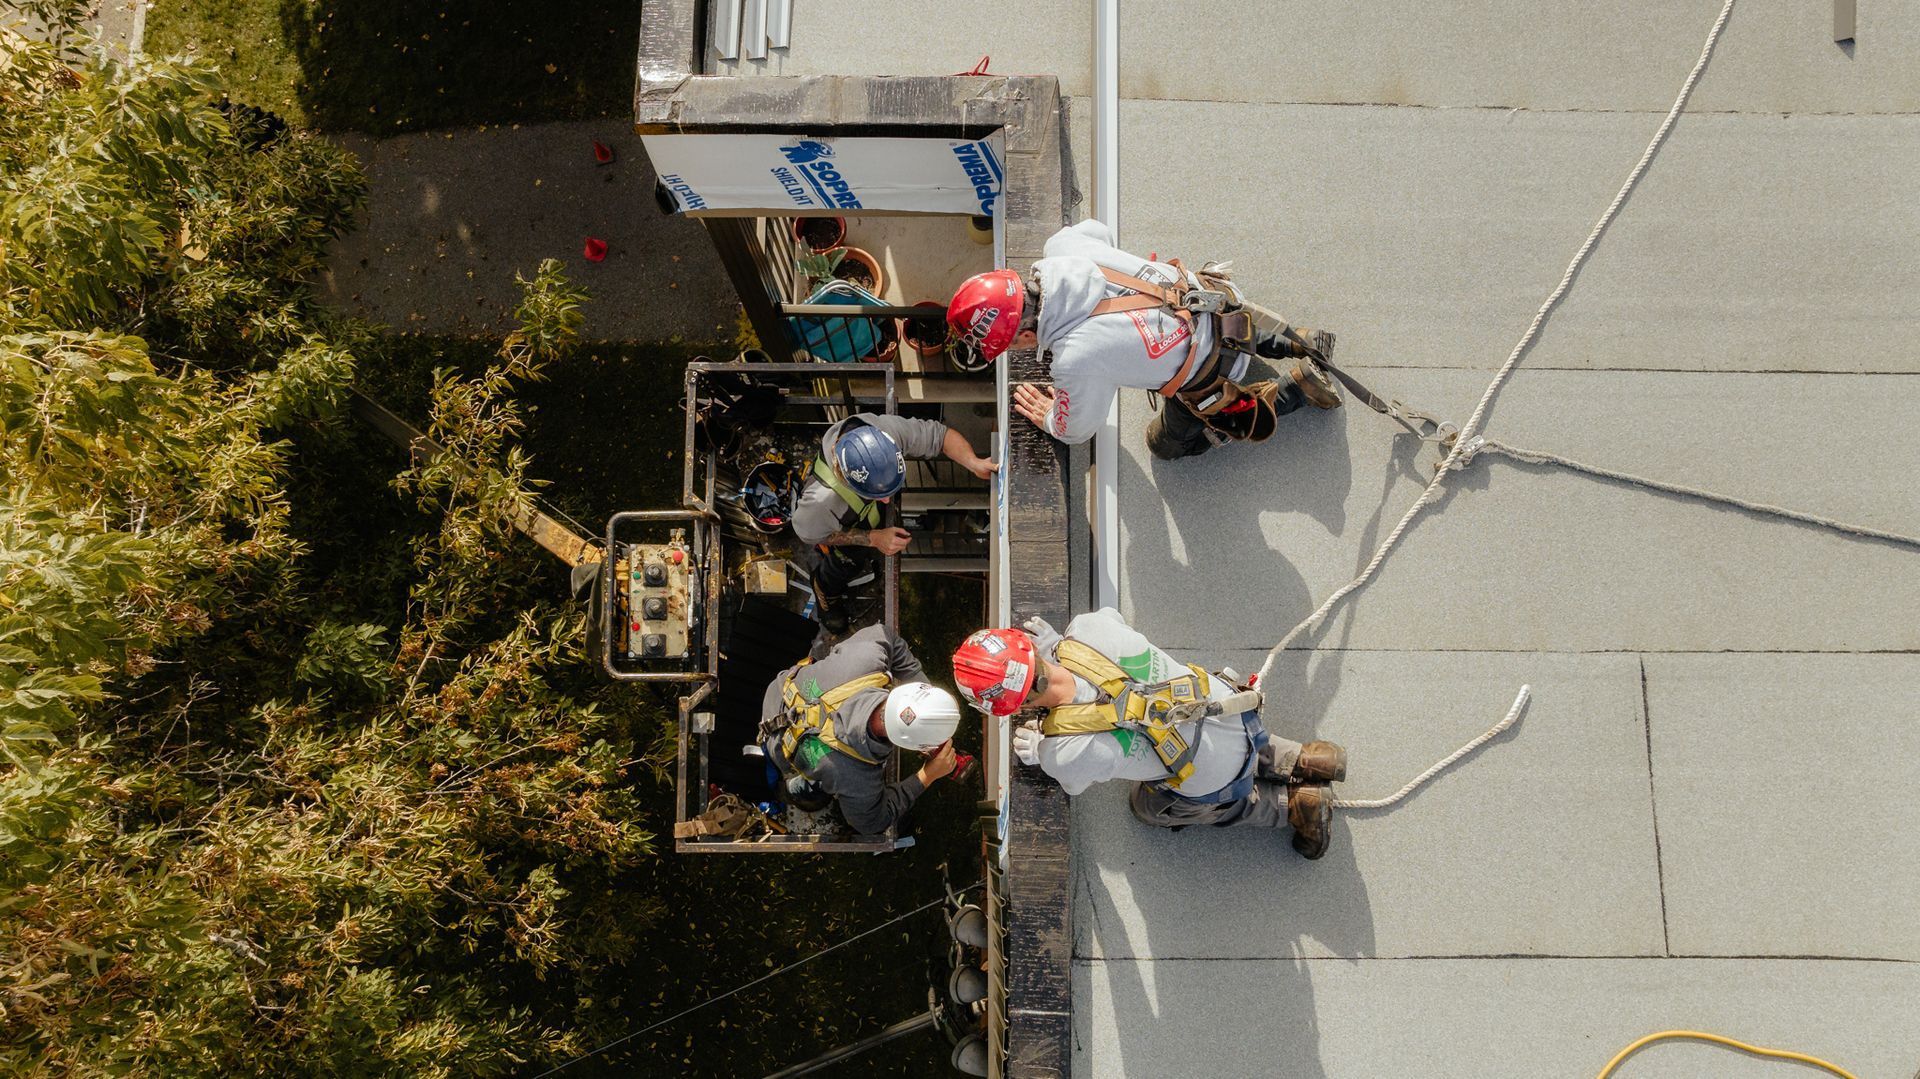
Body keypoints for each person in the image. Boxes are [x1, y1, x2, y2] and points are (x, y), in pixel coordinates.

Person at [951, 608, 1348, 859]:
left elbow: (1074, 784)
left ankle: (1296, 804)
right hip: (1235, 710)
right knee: (1209, 729)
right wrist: (1058, 646)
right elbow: (1114, 624)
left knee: (1146, 806)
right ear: (1025, 645)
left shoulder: (1064, 752)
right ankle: (1308, 758)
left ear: (1011, 707)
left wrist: (1041, 749)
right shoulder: (1088, 628)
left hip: (1214, 777)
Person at [945, 220, 1342, 460]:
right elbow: (1099, 232)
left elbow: (1077, 430)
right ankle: (1298, 341)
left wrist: (1051, 416)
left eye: (1014, 345)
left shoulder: (1075, 359)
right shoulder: (1061, 248)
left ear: (1028, 334)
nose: (1019, 350)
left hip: (1214, 370)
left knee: (1164, 446)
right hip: (1220, 302)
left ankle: (1296, 388)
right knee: (1218, 322)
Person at [790, 412, 996, 630]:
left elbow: (941, 436)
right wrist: (872, 538)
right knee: (848, 562)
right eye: (878, 494)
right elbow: (812, 535)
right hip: (844, 524)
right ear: (848, 482)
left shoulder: (884, 433)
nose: (888, 500)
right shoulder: (820, 503)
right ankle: (824, 588)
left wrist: (973, 462)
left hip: (862, 512)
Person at [760, 623, 967, 836]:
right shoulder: (856, 777)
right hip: (777, 745)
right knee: (816, 789)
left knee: (829, 772)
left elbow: (888, 637)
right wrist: (927, 775)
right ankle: (791, 790)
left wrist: (921, 689)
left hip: (777, 691)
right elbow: (872, 822)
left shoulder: (867, 658)